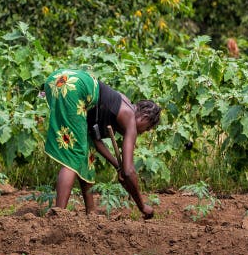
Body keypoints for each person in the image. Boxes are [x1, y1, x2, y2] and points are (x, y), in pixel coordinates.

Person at [43, 68, 161, 219]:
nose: (142, 133)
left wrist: (117, 166)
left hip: (58, 78)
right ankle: (57, 215)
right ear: (145, 118)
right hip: (73, 88)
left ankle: (91, 212)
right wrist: (142, 206)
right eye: (146, 129)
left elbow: (95, 140)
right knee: (74, 155)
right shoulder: (129, 116)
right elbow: (129, 171)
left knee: (87, 153)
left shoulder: (120, 103)